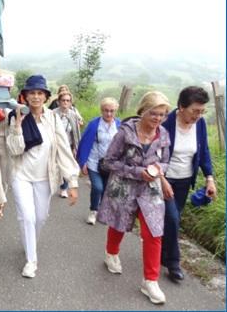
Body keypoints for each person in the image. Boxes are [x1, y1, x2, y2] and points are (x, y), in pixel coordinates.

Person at [97, 91, 172, 304]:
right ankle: (111, 253)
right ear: (142, 111)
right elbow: (109, 161)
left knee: (154, 233)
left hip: (151, 190)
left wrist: (158, 168)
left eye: (163, 115)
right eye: (154, 114)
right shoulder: (125, 133)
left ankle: (150, 281)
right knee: (119, 223)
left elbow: (166, 161)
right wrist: (138, 172)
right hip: (124, 187)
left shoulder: (164, 134)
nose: (158, 119)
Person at [6, 75, 80, 278]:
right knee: (27, 216)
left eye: (40, 93)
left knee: (40, 217)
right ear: (26, 96)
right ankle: (31, 259)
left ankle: (29, 244)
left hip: (45, 177)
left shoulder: (53, 118)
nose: (36, 97)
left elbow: (64, 149)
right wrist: (18, 126)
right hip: (21, 174)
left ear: (46, 97)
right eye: (32, 93)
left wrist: (72, 182)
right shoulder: (16, 115)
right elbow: (14, 150)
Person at [161, 86, 217, 281]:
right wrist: (161, 179)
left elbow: (204, 152)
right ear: (181, 107)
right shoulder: (166, 122)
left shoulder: (199, 125)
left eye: (202, 111)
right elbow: (153, 152)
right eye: (195, 111)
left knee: (172, 219)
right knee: (173, 218)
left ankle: (161, 253)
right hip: (164, 179)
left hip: (185, 180)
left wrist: (210, 178)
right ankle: (173, 262)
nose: (198, 115)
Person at [76, 97, 121, 225]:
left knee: (107, 189)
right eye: (106, 110)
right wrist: (83, 162)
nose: (109, 114)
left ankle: (103, 210)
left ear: (115, 110)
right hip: (94, 161)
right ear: (101, 110)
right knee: (98, 187)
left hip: (111, 165)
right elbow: (84, 142)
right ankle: (93, 211)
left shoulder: (120, 125)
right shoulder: (94, 124)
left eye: (112, 111)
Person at [52, 91, 82, 198]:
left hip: (67, 145)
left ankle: (63, 188)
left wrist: (75, 147)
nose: (65, 102)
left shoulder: (73, 115)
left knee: (66, 165)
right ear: (59, 102)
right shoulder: (52, 114)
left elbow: (75, 132)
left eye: (68, 101)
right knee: (53, 165)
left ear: (70, 103)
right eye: (63, 100)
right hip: (54, 144)